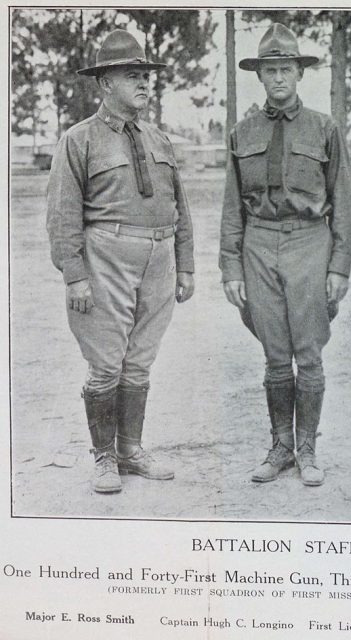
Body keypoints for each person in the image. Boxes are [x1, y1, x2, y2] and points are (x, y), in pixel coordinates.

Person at [47, 29, 195, 494]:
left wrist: (186, 264)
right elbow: (63, 214)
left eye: (146, 75)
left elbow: (180, 206)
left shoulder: (160, 139)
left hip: (159, 257)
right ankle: (105, 458)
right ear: (104, 84)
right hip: (106, 256)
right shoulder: (79, 140)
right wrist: (75, 276)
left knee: (140, 361)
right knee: (106, 363)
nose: (144, 84)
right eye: (132, 75)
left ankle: (131, 451)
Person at [220, 23, 351, 487]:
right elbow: (231, 206)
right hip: (258, 243)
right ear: (260, 76)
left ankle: (308, 449)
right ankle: (280, 446)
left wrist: (339, 266)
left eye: (286, 68)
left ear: (299, 72)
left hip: (309, 243)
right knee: (276, 354)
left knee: (309, 352)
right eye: (270, 69)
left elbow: (344, 203)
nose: (278, 77)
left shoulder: (324, 127)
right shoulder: (242, 132)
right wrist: (230, 267)